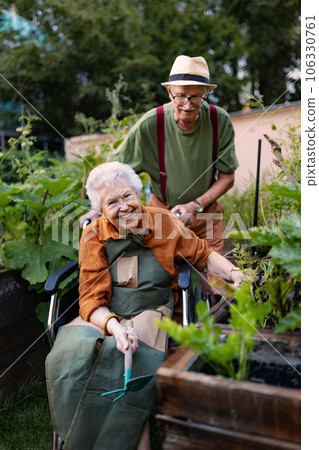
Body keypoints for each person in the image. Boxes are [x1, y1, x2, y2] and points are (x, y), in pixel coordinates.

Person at [47, 162, 247, 450]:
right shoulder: (94, 235)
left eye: (127, 196)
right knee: (70, 351)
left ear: (138, 194)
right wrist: (114, 327)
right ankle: (76, 436)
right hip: (105, 314)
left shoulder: (163, 221)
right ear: (101, 210)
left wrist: (235, 274)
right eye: (112, 202)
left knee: (132, 354)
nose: (124, 206)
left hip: (151, 311)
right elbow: (91, 300)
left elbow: (202, 254)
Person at [80, 55, 238, 254]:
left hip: (205, 214)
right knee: (164, 279)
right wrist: (96, 209)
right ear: (169, 91)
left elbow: (227, 177)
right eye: (180, 96)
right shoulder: (151, 124)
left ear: (206, 93)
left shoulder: (219, 121)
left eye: (196, 97)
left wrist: (194, 205)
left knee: (213, 278)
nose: (187, 105)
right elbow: (110, 173)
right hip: (161, 214)